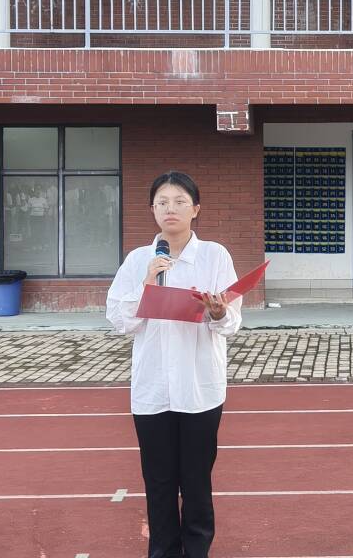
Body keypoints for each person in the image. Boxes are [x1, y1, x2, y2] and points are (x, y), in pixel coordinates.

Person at [106, 171, 242, 558]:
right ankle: (163, 551)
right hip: (152, 390)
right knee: (159, 482)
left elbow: (232, 322)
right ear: (152, 210)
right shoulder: (138, 260)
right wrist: (148, 284)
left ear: (195, 209)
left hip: (199, 388)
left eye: (180, 201)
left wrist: (218, 312)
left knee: (196, 481)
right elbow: (119, 321)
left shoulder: (215, 256)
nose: (171, 209)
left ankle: (197, 550)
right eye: (162, 202)